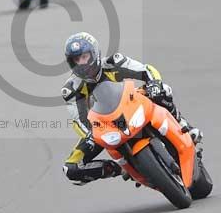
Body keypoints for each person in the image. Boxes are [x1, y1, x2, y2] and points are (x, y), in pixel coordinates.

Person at [60, 32, 204, 185]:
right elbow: (79, 120)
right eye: (76, 60)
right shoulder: (71, 89)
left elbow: (146, 70)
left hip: (130, 103)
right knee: (71, 168)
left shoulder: (113, 62)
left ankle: (183, 125)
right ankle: (118, 169)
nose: (82, 63)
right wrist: (91, 134)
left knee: (163, 90)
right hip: (103, 126)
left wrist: (154, 84)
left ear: (94, 53)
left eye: (84, 57)